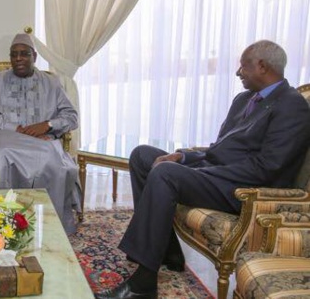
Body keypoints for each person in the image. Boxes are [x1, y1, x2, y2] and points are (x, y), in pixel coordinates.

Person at [98, 40, 310, 299]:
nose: (237, 72)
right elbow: (217, 149)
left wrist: (200, 173)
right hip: (218, 173)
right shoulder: (244, 99)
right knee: (142, 155)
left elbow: (267, 168)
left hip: (245, 189)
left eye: (242, 66)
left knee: (165, 174)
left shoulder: (292, 105)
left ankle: (143, 284)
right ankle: (168, 251)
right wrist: (184, 157)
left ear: (262, 66)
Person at [0, 33, 81, 234]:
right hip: (3, 138)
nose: (18, 59)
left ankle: (48, 226)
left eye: (24, 54)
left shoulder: (51, 83)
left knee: (53, 161)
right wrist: (17, 129)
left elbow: (71, 117)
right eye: (14, 55)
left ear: (34, 56)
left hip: (44, 140)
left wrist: (48, 124)